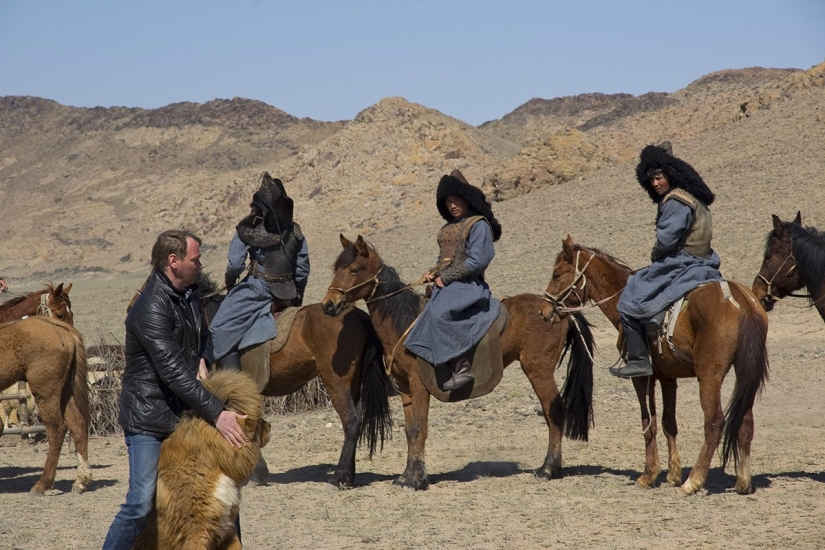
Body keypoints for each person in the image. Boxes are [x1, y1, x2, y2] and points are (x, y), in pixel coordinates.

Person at [102, 230, 249, 550]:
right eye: (195, 258)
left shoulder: (190, 294)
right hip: (149, 418)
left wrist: (202, 357)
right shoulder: (150, 308)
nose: (200, 264)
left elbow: (208, 337)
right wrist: (219, 414)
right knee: (141, 502)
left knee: (223, 488)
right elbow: (172, 373)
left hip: (184, 413)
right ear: (174, 261)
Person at [611, 143, 723, 378]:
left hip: (683, 262)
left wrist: (656, 253)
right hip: (705, 261)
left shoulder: (675, 200)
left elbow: (666, 240)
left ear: (670, 173)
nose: (655, 184)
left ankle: (639, 360)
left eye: (659, 177)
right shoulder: (694, 197)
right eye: (651, 180)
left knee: (630, 293)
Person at [404, 170, 502, 391]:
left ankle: (462, 368)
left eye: (456, 200)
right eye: (448, 202)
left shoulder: (479, 225)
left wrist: (446, 277)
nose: (452, 206)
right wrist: (432, 272)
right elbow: (445, 260)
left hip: (469, 286)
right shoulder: (447, 229)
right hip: (448, 285)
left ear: (466, 199)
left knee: (440, 313)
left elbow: (479, 260)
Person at [206, 172, 309, 372]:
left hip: (257, 290)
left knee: (219, 329)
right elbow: (302, 270)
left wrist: (229, 281)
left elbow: (236, 264)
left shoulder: (248, 229)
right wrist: (297, 297)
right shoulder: (296, 232)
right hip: (287, 292)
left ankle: (234, 383)